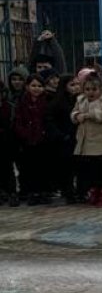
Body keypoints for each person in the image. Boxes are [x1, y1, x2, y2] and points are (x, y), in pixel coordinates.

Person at [71, 76, 102, 206]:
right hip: (85, 140)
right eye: (87, 89)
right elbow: (74, 113)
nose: (91, 92)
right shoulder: (81, 100)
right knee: (89, 169)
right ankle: (93, 191)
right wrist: (76, 116)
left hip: (101, 140)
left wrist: (91, 115)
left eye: (94, 89)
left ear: (100, 89)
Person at [13, 75, 51, 205]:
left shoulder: (46, 101)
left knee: (43, 167)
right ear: (27, 87)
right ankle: (31, 193)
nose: (36, 89)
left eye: (39, 86)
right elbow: (18, 121)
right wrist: (24, 134)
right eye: (33, 86)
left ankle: (43, 192)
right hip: (27, 141)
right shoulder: (22, 102)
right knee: (29, 168)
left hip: (43, 140)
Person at [46, 74, 82, 203]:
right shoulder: (57, 103)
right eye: (72, 85)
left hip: (79, 139)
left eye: (77, 84)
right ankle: (68, 192)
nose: (76, 87)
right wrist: (61, 136)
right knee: (66, 168)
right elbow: (50, 121)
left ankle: (80, 191)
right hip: (64, 140)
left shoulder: (81, 100)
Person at [0, 66, 28, 206]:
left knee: (23, 166)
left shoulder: (25, 97)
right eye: (13, 79)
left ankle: (21, 191)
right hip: (8, 139)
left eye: (20, 79)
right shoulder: (8, 98)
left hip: (17, 137)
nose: (16, 82)